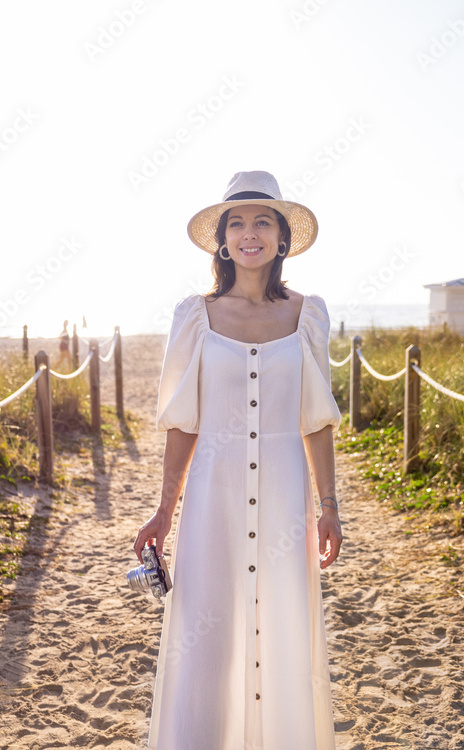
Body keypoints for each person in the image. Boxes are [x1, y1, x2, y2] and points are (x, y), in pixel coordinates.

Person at [133, 170, 343, 749]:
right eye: (238, 222)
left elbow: (317, 422)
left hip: (284, 498)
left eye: (263, 221)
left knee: (283, 631)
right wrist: (163, 513)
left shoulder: (309, 315)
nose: (250, 233)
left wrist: (330, 507)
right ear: (223, 240)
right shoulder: (195, 317)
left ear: (282, 238)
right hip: (211, 497)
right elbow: (183, 425)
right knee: (206, 639)